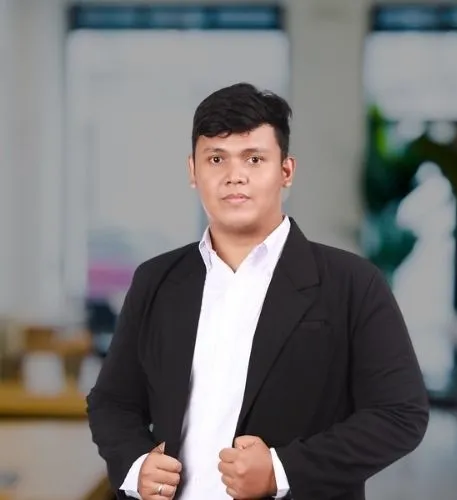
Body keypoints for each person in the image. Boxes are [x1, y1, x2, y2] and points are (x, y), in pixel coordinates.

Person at [87, 82, 429, 500]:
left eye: (254, 158)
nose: (235, 176)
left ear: (286, 171)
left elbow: (400, 415)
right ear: (193, 171)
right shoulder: (155, 279)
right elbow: (112, 401)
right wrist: (136, 464)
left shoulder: (353, 282)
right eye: (216, 159)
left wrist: (282, 471)